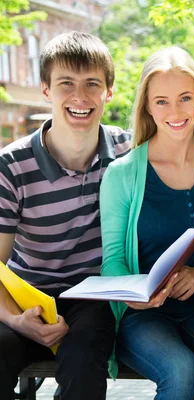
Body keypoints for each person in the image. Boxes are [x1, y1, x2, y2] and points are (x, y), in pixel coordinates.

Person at [99, 47, 194, 400]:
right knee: (180, 370)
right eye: (161, 101)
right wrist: (135, 296)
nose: (175, 112)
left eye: (185, 98)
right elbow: (113, 259)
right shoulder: (123, 173)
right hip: (144, 316)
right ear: (146, 106)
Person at [0, 32, 124, 399]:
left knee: (85, 361)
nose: (80, 97)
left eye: (92, 84)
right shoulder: (11, 165)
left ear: (109, 92)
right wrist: (13, 318)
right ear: (46, 90)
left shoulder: (127, 151)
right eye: (66, 83)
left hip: (92, 297)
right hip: (23, 296)